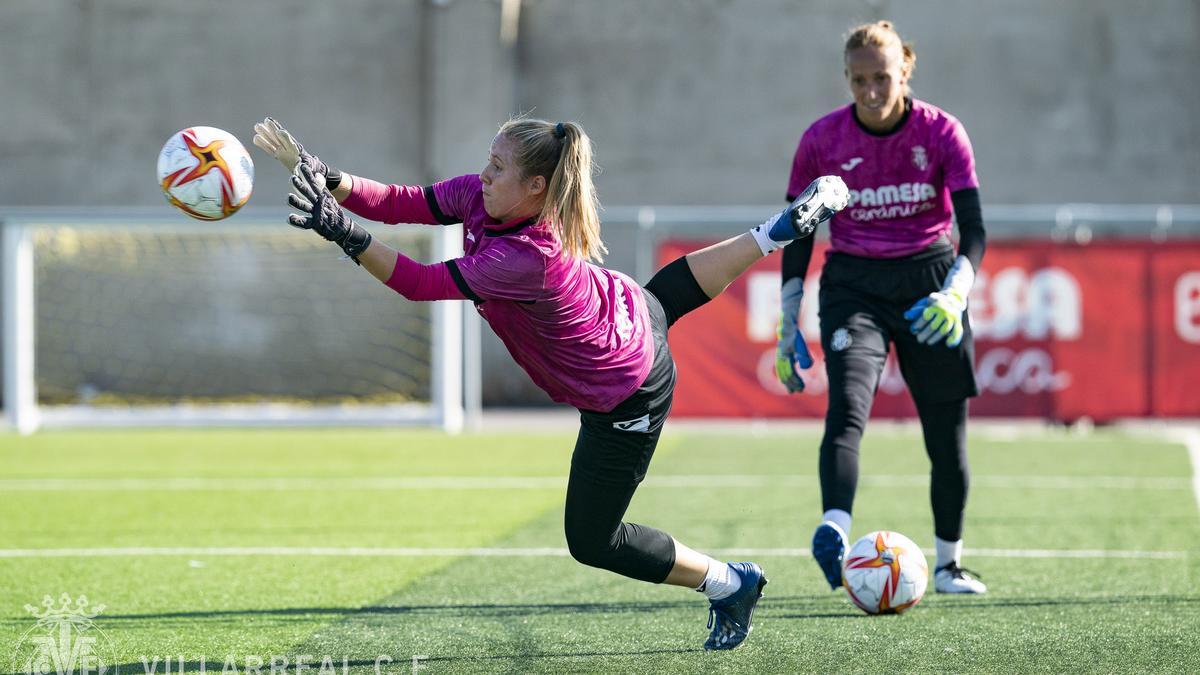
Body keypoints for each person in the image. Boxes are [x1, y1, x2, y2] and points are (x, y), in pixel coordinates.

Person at [253, 116, 849, 649]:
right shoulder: (487, 198)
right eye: (488, 161)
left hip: (628, 387)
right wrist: (325, 176)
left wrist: (344, 234)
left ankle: (730, 582)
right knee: (662, 301)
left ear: (535, 187)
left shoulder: (526, 258)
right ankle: (775, 231)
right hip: (629, 306)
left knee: (593, 540)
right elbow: (399, 200)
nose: (483, 174)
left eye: (498, 166)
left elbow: (418, 282)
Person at [773, 20, 988, 595]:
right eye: (859, 79)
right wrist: (787, 318)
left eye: (882, 78)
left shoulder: (942, 133)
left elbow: (974, 229)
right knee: (846, 411)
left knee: (947, 435)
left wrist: (955, 291)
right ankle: (835, 529)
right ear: (847, 77)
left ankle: (947, 565)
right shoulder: (821, 140)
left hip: (930, 284)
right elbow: (799, 233)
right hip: (854, 286)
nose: (871, 91)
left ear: (906, 70)